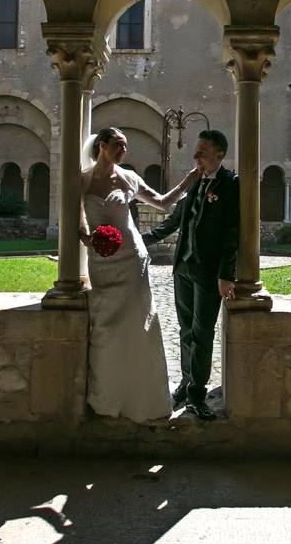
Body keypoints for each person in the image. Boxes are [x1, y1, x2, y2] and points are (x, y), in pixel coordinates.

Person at [81, 127, 202, 422]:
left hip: (131, 260)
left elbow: (162, 202)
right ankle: (108, 397)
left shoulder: (129, 178)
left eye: (126, 146)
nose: (124, 151)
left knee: (138, 326)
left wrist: (190, 178)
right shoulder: (81, 180)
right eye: (118, 145)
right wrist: (88, 239)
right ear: (101, 146)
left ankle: (143, 397)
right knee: (106, 327)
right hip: (101, 261)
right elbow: (75, 220)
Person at [141, 130, 239, 421]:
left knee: (202, 332)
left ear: (219, 155)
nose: (196, 157)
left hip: (209, 272)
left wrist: (226, 274)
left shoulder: (231, 183)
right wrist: (137, 238)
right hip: (182, 269)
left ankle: (198, 394)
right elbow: (173, 221)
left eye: (202, 152)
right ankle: (185, 384)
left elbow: (233, 232)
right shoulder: (195, 182)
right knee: (185, 330)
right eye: (196, 151)